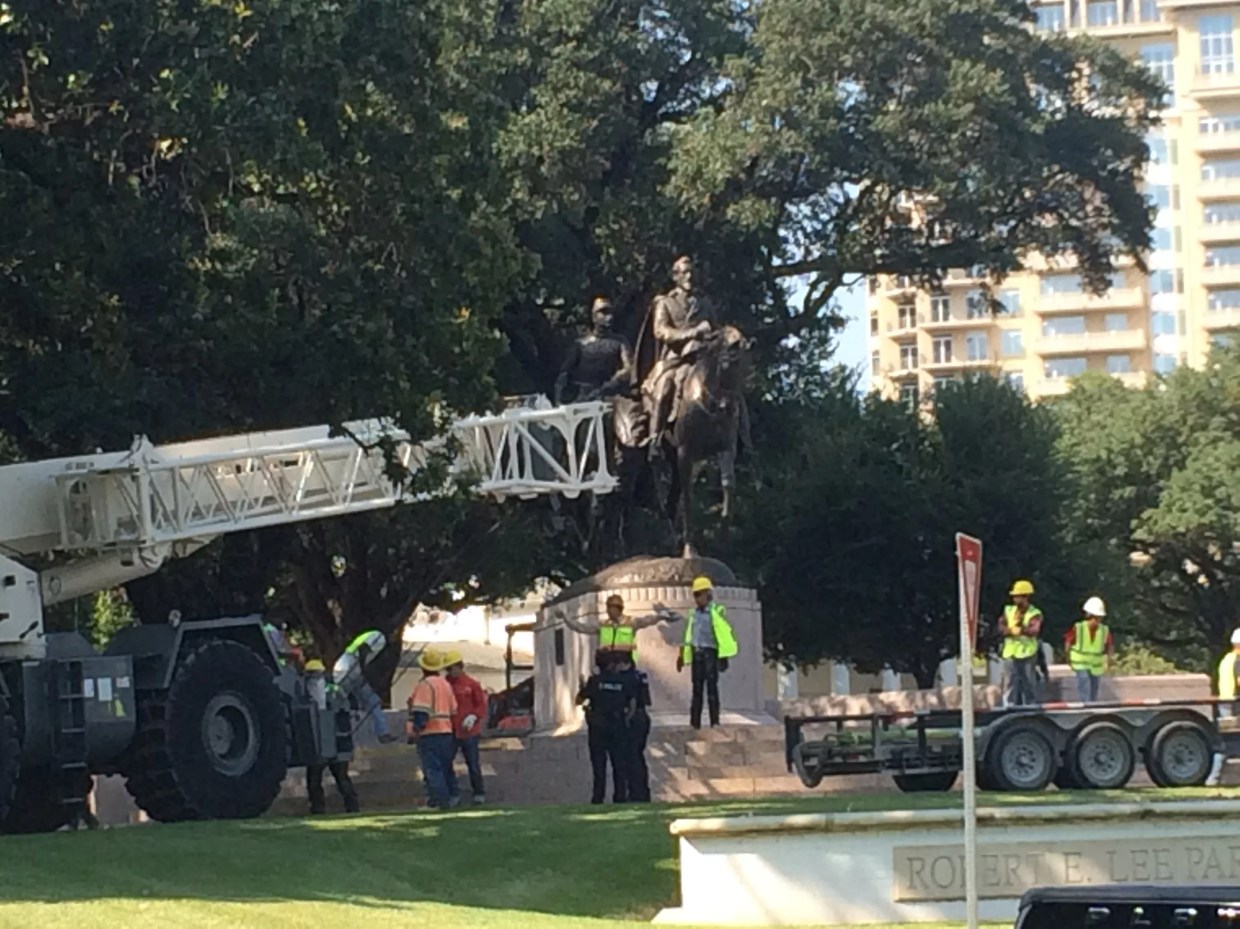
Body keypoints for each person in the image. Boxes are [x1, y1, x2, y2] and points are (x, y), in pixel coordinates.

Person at [642, 256, 717, 455]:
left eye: (691, 272)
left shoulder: (705, 303)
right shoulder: (665, 303)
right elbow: (661, 331)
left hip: (701, 359)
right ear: (676, 276)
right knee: (665, 388)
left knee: (728, 391)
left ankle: (741, 438)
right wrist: (692, 333)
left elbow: (715, 330)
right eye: (684, 272)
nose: (689, 276)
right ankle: (654, 439)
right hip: (674, 361)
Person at [577, 648, 639, 803]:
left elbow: (579, 700)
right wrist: (626, 719)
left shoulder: (595, 681)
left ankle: (598, 797)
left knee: (599, 765)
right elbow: (632, 704)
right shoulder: (623, 681)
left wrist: (582, 687)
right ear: (611, 664)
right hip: (617, 725)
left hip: (598, 726)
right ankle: (620, 796)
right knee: (619, 763)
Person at [676, 576, 738, 729]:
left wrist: (723, 656)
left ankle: (714, 721)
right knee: (697, 689)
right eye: (695, 595)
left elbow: (723, 633)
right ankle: (694, 722)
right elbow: (689, 635)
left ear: (707, 594)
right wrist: (682, 654)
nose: (696, 599)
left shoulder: (716, 611)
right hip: (697, 653)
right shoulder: (694, 614)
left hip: (711, 652)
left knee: (712, 688)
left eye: (699, 594)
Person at [303, 659, 360, 815]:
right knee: (340, 777)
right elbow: (349, 712)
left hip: (324, 742)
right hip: (336, 742)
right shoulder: (336, 691)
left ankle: (319, 808)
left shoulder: (306, 692)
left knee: (316, 779)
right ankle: (351, 807)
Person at [554, 296, 635, 405]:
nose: (609, 316)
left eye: (610, 312)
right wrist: (558, 400)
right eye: (603, 312)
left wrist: (611, 384)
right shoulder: (580, 344)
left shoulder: (620, 341)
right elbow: (564, 374)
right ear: (593, 317)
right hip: (582, 397)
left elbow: (629, 368)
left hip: (610, 396)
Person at [406, 647, 459, 810]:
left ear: (424, 667)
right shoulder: (446, 684)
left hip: (430, 733)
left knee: (432, 769)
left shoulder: (425, 685)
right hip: (447, 733)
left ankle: (438, 801)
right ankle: (452, 796)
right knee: (446, 768)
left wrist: (415, 730)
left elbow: (422, 712)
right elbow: (453, 709)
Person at [558, 595, 676, 662]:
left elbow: (647, 620)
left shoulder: (631, 622)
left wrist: (661, 616)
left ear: (619, 608)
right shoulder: (603, 624)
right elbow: (582, 627)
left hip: (625, 664)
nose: (608, 610)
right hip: (607, 664)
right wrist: (566, 618)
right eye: (608, 607)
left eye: (611, 607)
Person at [333, 629, 398, 744]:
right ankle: (382, 734)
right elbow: (363, 651)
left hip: (346, 670)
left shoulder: (377, 639)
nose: (396, 637)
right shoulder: (378, 637)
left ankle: (382, 733)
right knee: (369, 701)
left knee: (369, 701)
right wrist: (364, 674)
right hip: (348, 670)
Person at [445, 652, 489, 805]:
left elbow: (481, 705)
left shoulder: (472, 684)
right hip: (451, 730)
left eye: (451, 669)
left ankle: (479, 792)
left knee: (473, 764)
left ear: (459, 667)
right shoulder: (445, 685)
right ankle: (453, 793)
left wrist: (474, 716)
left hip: (469, 732)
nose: (449, 672)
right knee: (446, 762)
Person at [614, 647, 652, 802]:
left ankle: (635, 793)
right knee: (638, 756)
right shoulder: (641, 676)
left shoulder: (626, 678)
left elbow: (632, 701)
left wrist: (627, 719)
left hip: (632, 718)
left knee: (630, 758)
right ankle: (642, 791)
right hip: (643, 717)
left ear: (624, 663)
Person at [1000, 579, 1043, 707]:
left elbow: (1034, 629)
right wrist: (1010, 630)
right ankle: (1009, 706)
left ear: (1026, 597)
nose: (1016, 599)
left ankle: (1031, 707)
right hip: (1011, 652)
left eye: (1018, 597)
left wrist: (1020, 630)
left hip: (1027, 652)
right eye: (1015, 597)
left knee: (1028, 681)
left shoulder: (1034, 613)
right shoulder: (1008, 611)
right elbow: (1001, 627)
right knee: (1010, 682)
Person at [1064, 596, 1114, 703]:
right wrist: (1068, 658)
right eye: (1094, 618)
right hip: (1080, 663)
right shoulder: (1079, 628)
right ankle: (1086, 705)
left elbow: (1110, 645)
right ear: (1089, 616)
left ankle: (1092, 705)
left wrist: (1109, 660)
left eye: (1098, 618)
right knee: (1084, 681)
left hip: (1095, 666)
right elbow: (1068, 642)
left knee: (1094, 688)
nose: (1096, 621)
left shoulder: (1104, 630)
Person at [1206, 629, 1240, 786]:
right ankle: (1214, 778)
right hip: (1235, 705)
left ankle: (1214, 778)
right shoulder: (1238, 660)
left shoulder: (1226, 659)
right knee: (1230, 744)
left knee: (1227, 744)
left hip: (1225, 703)